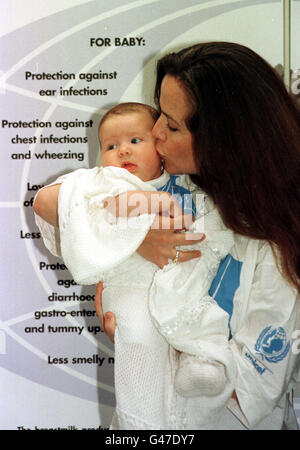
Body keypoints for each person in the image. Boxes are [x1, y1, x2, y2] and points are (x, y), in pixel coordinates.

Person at [96, 42, 300, 430]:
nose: (154, 134)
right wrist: (133, 246)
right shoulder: (175, 188)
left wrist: (148, 337)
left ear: (223, 140)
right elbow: (57, 205)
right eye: (159, 116)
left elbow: (250, 388)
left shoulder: (277, 250)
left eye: (171, 126)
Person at [34, 102, 236, 429]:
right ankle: (138, 423)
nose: (123, 151)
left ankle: (203, 363)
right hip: (131, 289)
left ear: (160, 147)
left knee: (203, 316)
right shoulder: (109, 181)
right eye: (111, 146)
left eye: (135, 141)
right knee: (138, 342)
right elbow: (75, 203)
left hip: (183, 285)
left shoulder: (188, 184)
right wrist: (148, 210)